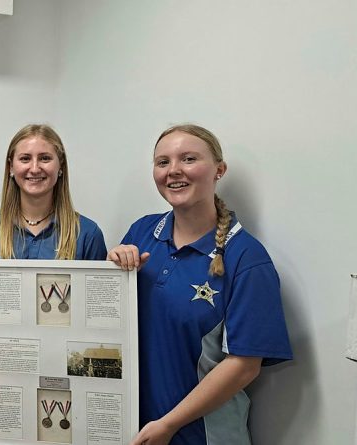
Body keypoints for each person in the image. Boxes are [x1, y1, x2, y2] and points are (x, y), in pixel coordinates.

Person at [107, 124, 292, 444]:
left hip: (199, 435)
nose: (174, 171)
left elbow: (245, 366)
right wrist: (111, 270)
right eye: (162, 162)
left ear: (219, 170)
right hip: (136, 428)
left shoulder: (246, 258)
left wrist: (168, 424)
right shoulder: (141, 232)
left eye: (189, 159)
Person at [0, 124, 108, 311]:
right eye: (25, 158)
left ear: (60, 166)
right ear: (11, 167)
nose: (35, 168)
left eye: (45, 158)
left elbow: (97, 310)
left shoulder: (87, 234)